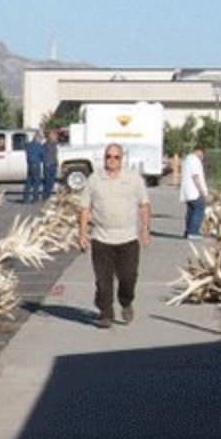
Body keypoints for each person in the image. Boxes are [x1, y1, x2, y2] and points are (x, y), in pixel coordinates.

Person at [75, 145, 151, 327]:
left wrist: (145, 229)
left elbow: (144, 204)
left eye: (116, 157)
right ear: (104, 158)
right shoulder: (95, 179)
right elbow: (85, 208)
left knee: (128, 277)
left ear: (121, 159)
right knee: (103, 281)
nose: (112, 160)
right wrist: (83, 234)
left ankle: (126, 302)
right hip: (102, 239)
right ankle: (106, 313)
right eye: (108, 156)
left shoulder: (133, 179)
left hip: (128, 239)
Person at [179, 142, 209, 239]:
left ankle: (188, 231)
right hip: (194, 191)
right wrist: (202, 191)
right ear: (200, 152)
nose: (202, 158)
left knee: (190, 211)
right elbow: (196, 176)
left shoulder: (187, 159)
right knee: (199, 210)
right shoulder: (195, 160)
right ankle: (193, 232)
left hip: (187, 191)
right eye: (203, 155)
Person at [22, 130, 45, 203]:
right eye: (41, 138)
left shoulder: (28, 145)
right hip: (36, 164)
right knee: (36, 182)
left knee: (29, 182)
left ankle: (26, 198)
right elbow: (42, 155)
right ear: (37, 137)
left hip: (30, 164)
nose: (41, 140)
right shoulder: (38, 146)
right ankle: (35, 198)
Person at [39, 129, 59, 200]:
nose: (55, 136)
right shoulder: (46, 144)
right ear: (50, 136)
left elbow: (55, 154)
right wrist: (45, 162)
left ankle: (48, 195)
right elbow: (42, 154)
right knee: (47, 181)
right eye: (53, 135)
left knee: (52, 181)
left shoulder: (55, 144)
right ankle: (45, 196)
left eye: (55, 135)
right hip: (48, 165)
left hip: (54, 164)